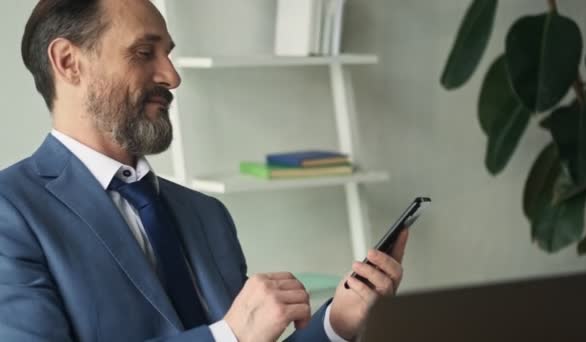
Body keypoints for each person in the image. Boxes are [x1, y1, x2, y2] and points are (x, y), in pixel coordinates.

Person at [0, 0, 409, 341]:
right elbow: (235, 336)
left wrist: (339, 321)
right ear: (69, 61)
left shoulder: (206, 214)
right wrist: (227, 334)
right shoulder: (11, 212)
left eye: (168, 54)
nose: (172, 77)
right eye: (144, 53)